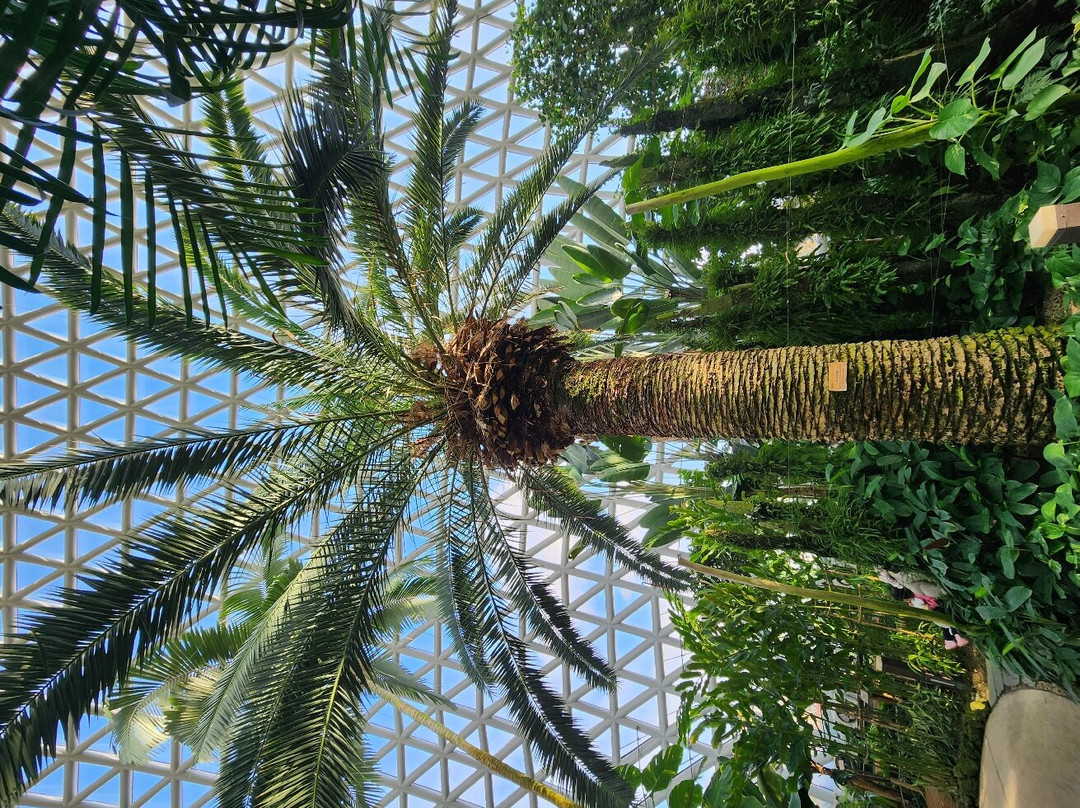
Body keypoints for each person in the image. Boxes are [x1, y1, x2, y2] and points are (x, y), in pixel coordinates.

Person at [879, 570, 969, 650]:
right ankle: (952, 638)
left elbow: (927, 605)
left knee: (947, 623)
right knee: (947, 623)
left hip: (937, 606)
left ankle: (954, 637)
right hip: (937, 605)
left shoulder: (915, 596)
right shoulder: (913, 591)